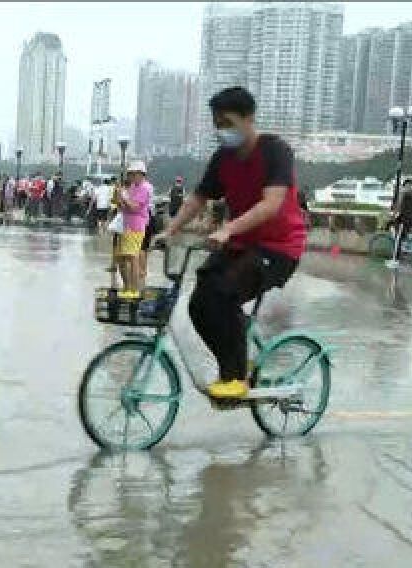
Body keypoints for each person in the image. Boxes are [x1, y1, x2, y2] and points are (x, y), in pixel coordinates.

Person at [155, 86, 306, 401]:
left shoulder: (274, 151)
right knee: (199, 303)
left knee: (223, 294)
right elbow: (197, 197)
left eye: (228, 122)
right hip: (241, 246)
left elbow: (272, 204)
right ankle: (236, 361)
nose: (222, 130)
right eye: (217, 123)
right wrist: (171, 230)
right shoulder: (223, 158)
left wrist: (229, 228)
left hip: (278, 249)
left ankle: (236, 377)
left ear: (249, 118)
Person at [115, 161, 153, 298]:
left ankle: (134, 289)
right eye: (129, 174)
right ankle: (126, 287)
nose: (130, 177)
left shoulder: (145, 188)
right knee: (121, 258)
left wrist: (124, 197)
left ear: (141, 175)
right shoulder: (132, 187)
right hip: (126, 225)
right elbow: (122, 207)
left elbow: (135, 207)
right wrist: (119, 195)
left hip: (136, 226)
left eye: (133, 174)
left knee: (132, 257)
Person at [389, 178, 412, 265]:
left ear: (406, 185)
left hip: (405, 220)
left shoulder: (406, 194)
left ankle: (395, 260)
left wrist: (393, 215)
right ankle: (405, 248)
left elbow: (399, 207)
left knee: (398, 238)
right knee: (403, 235)